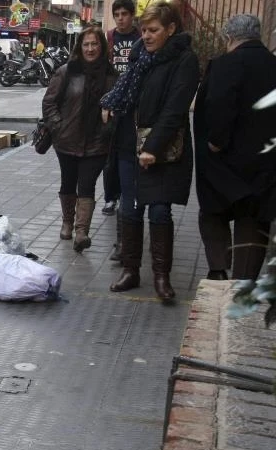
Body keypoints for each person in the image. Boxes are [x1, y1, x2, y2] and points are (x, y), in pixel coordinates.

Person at [100, 1, 199, 301]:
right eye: (144, 30)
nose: (146, 35)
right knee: (129, 207)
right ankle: (131, 270)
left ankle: (161, 277)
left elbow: (175, 109)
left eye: (153, 30)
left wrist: (153, 147)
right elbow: (126, 92)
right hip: (130, 144)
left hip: (162, 149)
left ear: (171, 29)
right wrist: (110, 103)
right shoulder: (140, 56)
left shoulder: (184, 60)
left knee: (158, 209)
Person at [194, 14, 276, 281]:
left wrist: (216, 141)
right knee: (253, 219)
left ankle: (219, 269)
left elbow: (219, 103)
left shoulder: (226, 64)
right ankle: (244, 278)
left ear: (229, 38)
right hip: (265, 163)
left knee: (213, 212)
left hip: (225, 162)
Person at [42, 27, 117, 253]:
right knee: (68, 181)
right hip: (67, 139)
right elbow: (49, 103)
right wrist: (58, 126)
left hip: (97, 142)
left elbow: (119, 107)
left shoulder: (111, 75)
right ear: (80, 47)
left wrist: (110, 124)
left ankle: (82, 231)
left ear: (102, 47)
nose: (91, 49)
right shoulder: (67, 72)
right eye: (86, 44)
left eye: (95, 44)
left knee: (87, 185)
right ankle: (67, 222)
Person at [103, 0, 143, 263]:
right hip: (111, 102)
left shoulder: (141, 39)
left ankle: (124, 206)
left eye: (124, 14)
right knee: (109, 157)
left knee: (126, 160)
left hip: (133, 107)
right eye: (116, 14)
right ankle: (110, 196)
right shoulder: (109, 37)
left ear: (132, 16)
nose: (120, 19)